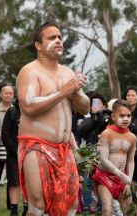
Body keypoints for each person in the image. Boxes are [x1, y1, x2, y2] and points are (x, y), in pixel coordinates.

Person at [16, 22, 89, 215]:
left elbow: (84, 108)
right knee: (39, 206)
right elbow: (28, 106)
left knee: (71, 206)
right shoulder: (30, 71)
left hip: (64, 149)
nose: (58, 40)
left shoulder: (68, 72)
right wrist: (62, 92)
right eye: (51, 37)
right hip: (36, 145)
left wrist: (77, 93)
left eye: (60, 37)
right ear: (38, 45)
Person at [92, 99, 137, 215]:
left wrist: (128, 181)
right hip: (104, 177)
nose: (126, 118)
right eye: (122, 115)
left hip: (122, 179)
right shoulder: (106, 133)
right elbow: (103, 159)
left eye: (128, 115)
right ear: (113, 116)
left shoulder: (132, 137)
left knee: (129, 211)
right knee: (107, 209)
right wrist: (121, 174)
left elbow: (131, 161)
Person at [2, 99, 28, 216]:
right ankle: (14, 210)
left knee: (29, 182)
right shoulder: (12, 112)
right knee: (14, 182)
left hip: (30, 152)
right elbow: (5, 133)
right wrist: (14, 150)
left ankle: (27, 208)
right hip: (13, 154)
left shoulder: (32, 111)